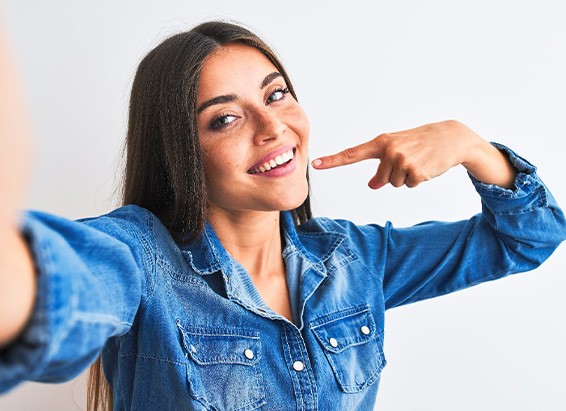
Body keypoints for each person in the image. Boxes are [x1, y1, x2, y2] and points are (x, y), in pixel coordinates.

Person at [1, 20, 565, 411]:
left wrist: (470, 145)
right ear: (180, 152)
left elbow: (526, 239)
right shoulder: (139, 257)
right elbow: (56, 289)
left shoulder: (354, 261)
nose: (272, 128)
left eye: (274, 95)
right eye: (225, 119)